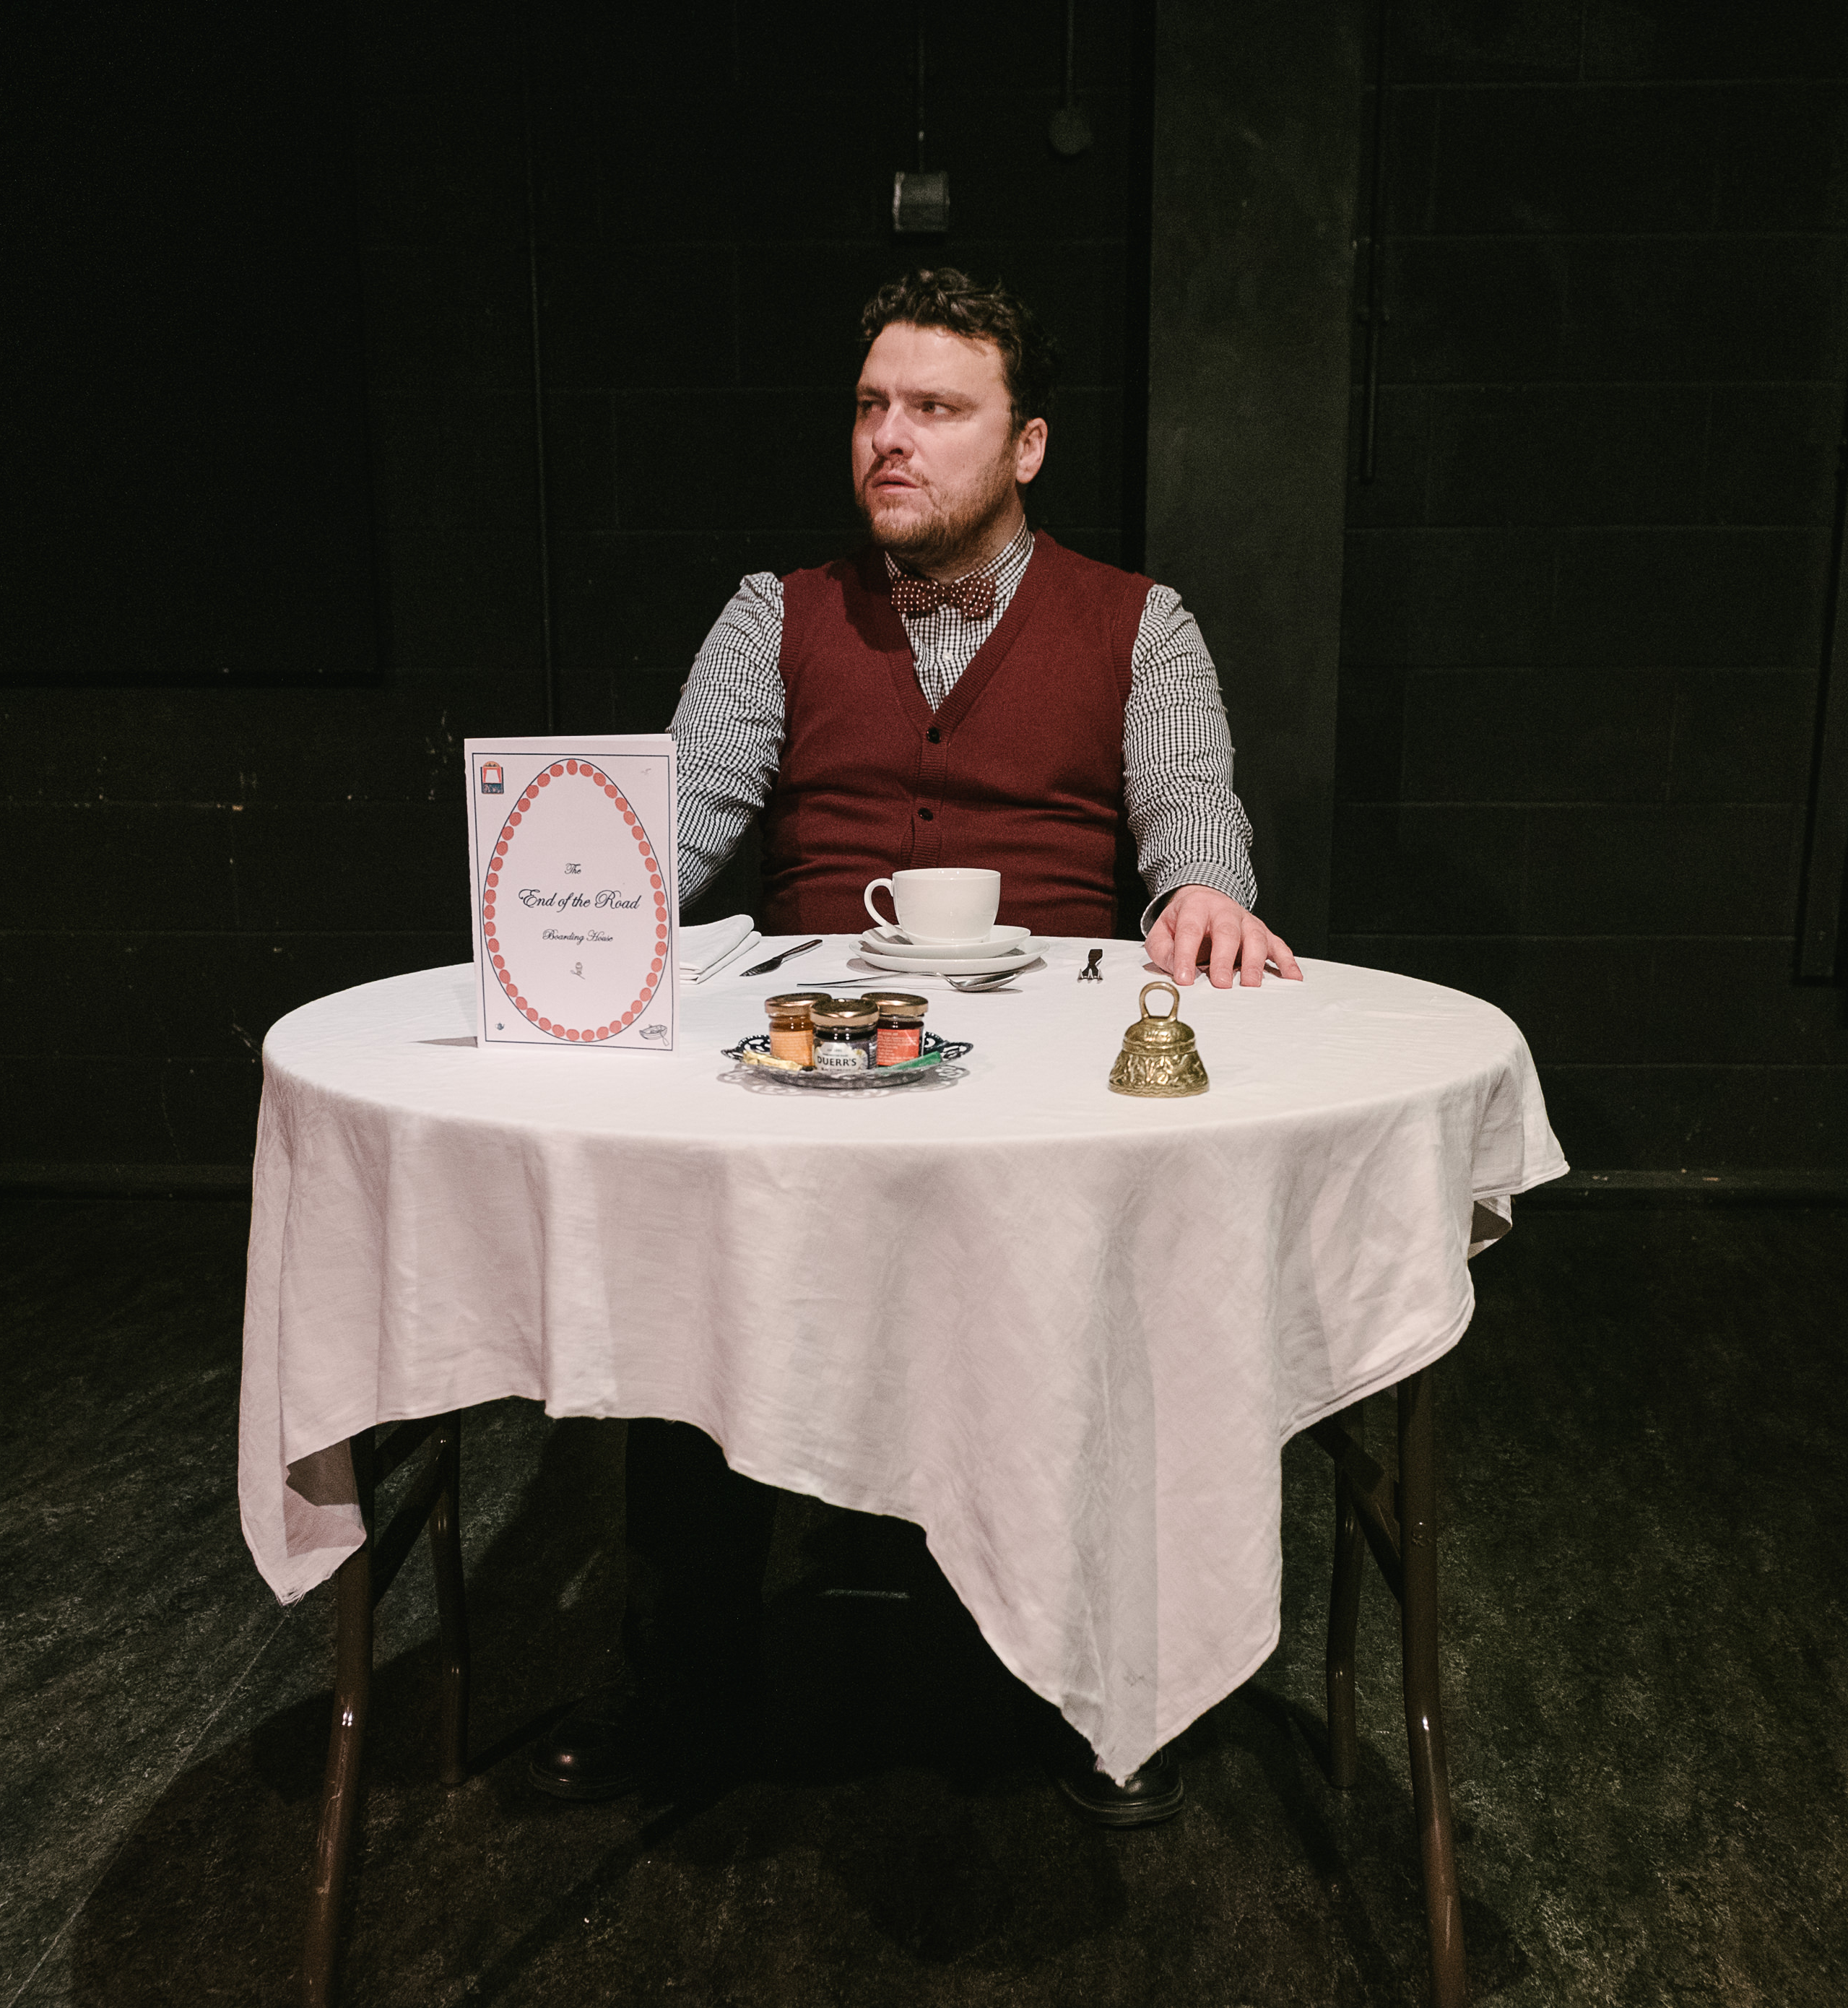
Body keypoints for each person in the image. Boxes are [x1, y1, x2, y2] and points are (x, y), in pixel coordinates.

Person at [526, 267, 1293, 1827]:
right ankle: (685, 1677)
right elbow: (669, 835)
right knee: (686, 1244)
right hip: (807, 1066)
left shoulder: (1139, 624)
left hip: (1033, 1083)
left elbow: (1190, 813)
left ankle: (1087, 1681)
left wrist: (1205, 888)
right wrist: (566, 893)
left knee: (1096, 1275)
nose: (892, 436)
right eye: (873, 406)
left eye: (937, 409)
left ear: (1026, 446)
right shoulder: (777, 614)